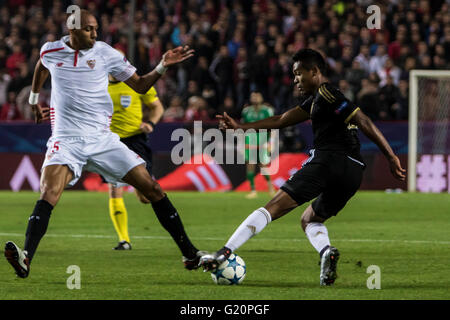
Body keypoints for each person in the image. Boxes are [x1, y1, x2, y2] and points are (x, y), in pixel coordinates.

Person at [4, 10, 204, 279]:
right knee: (49, 192)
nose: (95, 34)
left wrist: (162, 66)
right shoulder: (51, 51)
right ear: (72, 30)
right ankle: (26, 258)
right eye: (89, 29)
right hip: (66, 139)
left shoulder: (106, 53)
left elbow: (142, 86)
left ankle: (190, 254)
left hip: (103, 139)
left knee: (152, 189)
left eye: (96, 28)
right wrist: (34, 100)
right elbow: (41, 66)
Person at [200, 49, 406, 286]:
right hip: (352, 172)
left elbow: (363, 120)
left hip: (328, 160)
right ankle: (326, 252)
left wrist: (390, 156)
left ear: (315, 71)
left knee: (272, 207)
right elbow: (280, 120)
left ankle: (224, 253)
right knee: (310, 219)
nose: (295, 80)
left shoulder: (328, 93)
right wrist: (240, 128)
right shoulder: (315, 100)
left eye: (299, 74)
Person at [106, 70, 164, 250]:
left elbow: (157, 107)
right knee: (115, 188)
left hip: (136, 141)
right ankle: (124, 240)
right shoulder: (97, 85)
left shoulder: (137, 83)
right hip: (111, 142)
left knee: (146, 197)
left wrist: (151, 124)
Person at [241, 91, 275, 199]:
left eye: (257, 96)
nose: (255, 98)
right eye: (253, 96)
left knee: (263, 165)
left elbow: (273, 126)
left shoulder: (267, 111)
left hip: (263, 141)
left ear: (261, 97)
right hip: (250, 141)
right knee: (250, 165)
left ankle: (270, 187)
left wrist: (271, 142)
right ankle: (253, 190)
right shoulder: (246, 111)